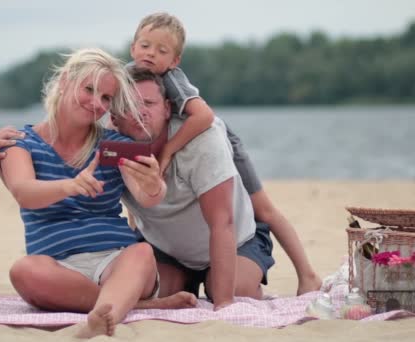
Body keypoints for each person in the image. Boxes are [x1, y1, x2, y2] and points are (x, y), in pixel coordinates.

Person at [0, 48, 194, 338]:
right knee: (23, 271)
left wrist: (154, 184)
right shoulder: (21, 144)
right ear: (65, 81)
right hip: (57, 266)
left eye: (106, 98)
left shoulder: (114, 144)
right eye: (89, 89)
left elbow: (146, 195)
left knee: (141, 252)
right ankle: (132, 304)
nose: (96, 104)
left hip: (115, 262)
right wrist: (70, 185)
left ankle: (102, 318)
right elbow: (24, 192)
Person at [127, 12, 321, 295]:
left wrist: (168, 150)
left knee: (264, 209)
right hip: (167, 217)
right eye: (145, 46)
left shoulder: (172, 80)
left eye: (161, 50)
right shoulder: (126, 79)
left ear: (175, 60)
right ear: (133, 47)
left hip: (219, 139)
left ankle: (308, 274)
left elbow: (204, 116)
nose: (150, 54)